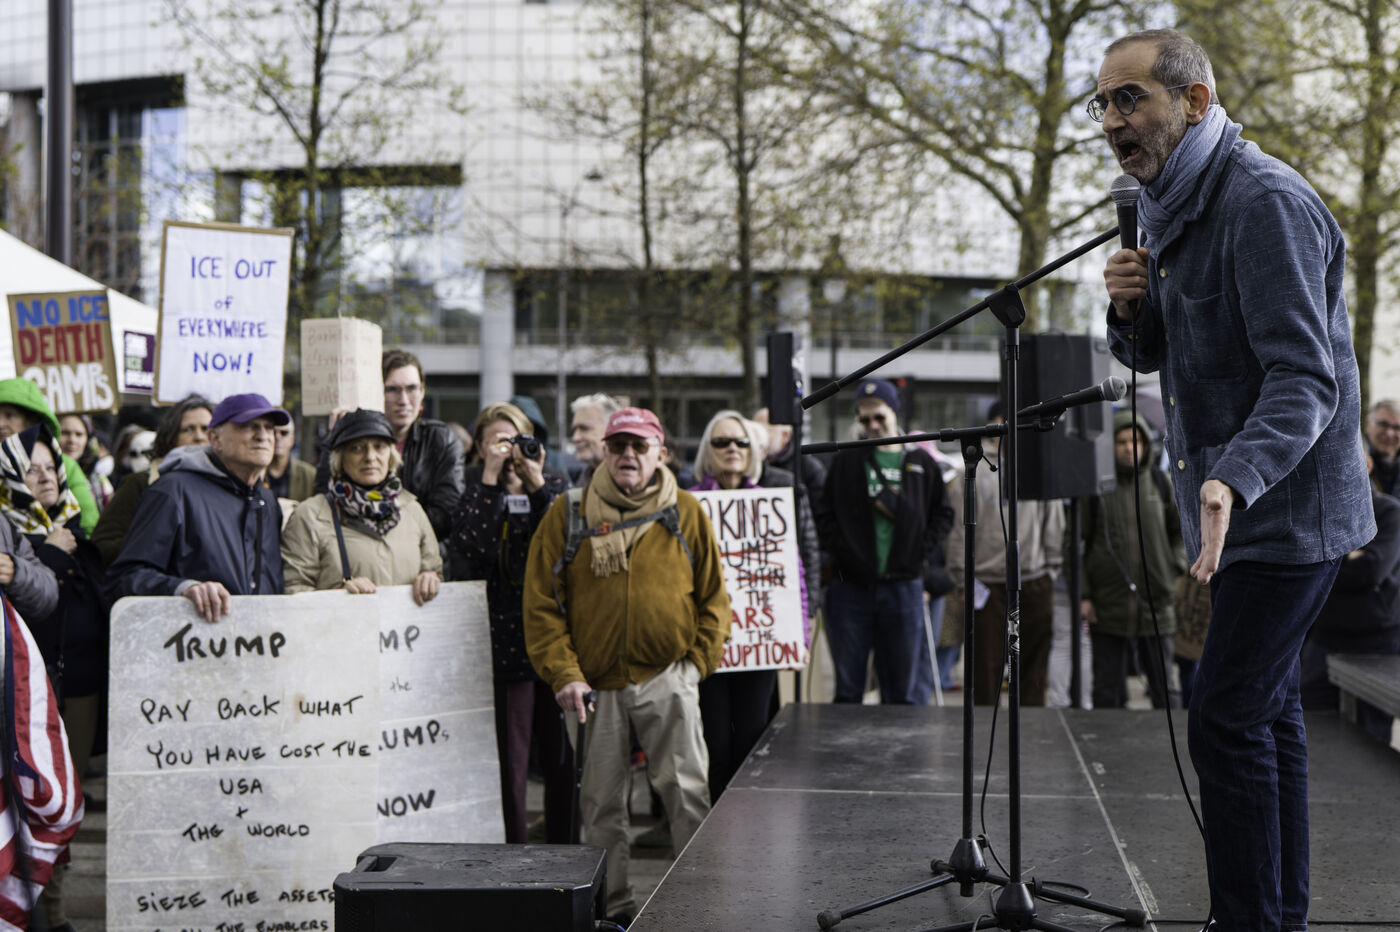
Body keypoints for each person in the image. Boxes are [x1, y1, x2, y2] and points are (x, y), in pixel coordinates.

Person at [1096, 29, 1375, 930]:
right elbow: (1160, 355)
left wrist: (1232, 478)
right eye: (1102, 103)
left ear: (1196, 101)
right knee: (1265, 712)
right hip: (1236, 515)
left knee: (1221, 713)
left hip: (1289, 513)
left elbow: (1306, 378)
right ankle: (1275, 917)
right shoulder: (1170, 204)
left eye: (1130, 97)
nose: (1113, 120)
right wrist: (1128, 311)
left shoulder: (1263, 202)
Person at [523, 406, 730, 926]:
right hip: (592, 688)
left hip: (668, 678)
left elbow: (714, 599)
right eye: (618, 446)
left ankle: (699, 909)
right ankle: (611, 912)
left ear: (661, 453)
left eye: (640, 446)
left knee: (687, 796)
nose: (628, 455)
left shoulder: (685, 511)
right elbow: (541, 605)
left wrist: (695, 666)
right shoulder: (569, 513)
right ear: (604, 452)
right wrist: (565, 674)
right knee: (600, 808)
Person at [0, 425, 108, 932]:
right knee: (23, 800)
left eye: (51, 467)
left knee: (64, 796)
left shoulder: (75, 526)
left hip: (76, 688)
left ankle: (52, 904)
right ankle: (27, 905)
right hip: (21, 696)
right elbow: (36, 603)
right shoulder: (10, 528)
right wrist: (46, 554)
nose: (44, 478)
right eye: (31, 469)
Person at [450, 402, 570, 845]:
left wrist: (534, 483)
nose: (506, 449)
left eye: (514, 439)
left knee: (562, 764)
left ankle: (567, 854)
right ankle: (512, 857)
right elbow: (471, 548)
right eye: (496, 441)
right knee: (510, 768)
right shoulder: (473, 489)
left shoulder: (552, 484)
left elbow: (567, 543)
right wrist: (489, 480)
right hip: (500, 647)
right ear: (480, 447)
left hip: (553, 643)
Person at [689, 410, 819, 800]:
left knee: (751, 739)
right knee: (715, 742)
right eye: (722, 441)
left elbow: (795, 569)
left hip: (757, 644)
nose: (732, 448)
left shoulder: (771, 501)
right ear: (707, 451)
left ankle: (747, 820)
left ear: (753, 451)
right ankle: (715, 823)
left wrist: (798, 632)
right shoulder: (688, 504)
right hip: (706, 643)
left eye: (741, 441)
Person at [817, 379, 954, 705]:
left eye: (879, 416)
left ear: (895, 412)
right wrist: (843, 551)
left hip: (903, 587)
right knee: (848, 689)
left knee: (901, 691)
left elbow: (943, 514)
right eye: (864, 419)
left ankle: (898, 743)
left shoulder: (921, 461)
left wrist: (917, 551)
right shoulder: (847, 460)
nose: (873, 425)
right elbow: (824, 513)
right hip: (851, 588)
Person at [107, 393, 289, 623]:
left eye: (269, 428)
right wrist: (183, 588)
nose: (262, 436)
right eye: (248, 426)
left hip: (257, 639)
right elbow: (125, 578)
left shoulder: (268, 501)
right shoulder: (172, 491)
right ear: (214, 438)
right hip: (190, 639)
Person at [946, 401, 1063, 707]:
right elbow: (958, 530)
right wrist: (962, 579)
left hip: (1033, 579)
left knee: (1033, 666)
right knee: (985, 668)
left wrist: (1050, 570)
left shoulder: (1037, 467)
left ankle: (1031, 725)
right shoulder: (971, 471)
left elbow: (1053, 522)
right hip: (986, 583)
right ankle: (985, 726)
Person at [1080, 412, 1185, 709]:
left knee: (1166, 691)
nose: (1129, 448)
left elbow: (1182, 533)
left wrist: (1174, 569)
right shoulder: (1096, 487)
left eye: (1135, 441)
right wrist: (1084, 595)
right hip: (1107, 606)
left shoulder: (1161, 483)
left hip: (1157, 605)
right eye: (1122, 441)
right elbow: (1075, 544)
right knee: (1107, 692)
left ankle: (1169, 740)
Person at [282, 409, 441, 603]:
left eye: (379, 446)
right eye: (357, 448)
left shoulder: (411, 509)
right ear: (340, 457)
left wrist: (430, 577)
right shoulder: (310, 515)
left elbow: (436, 571)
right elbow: (293, 590)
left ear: (391, 455)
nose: (370, 457)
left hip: (405, 624)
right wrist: (340, 595)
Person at [1299, 452, 1400, 742]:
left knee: (1370, 743)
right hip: (1323, 641)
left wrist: (1329, 557)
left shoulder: (1389, 512)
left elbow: (1371, 570)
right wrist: (1350, 556)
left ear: (1365, 463)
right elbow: (1304, 565)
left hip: (1376, 645)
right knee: (1312, 736)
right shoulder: (1317, 512)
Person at [319, 350, 465, 548]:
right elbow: (324, 499)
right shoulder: (348, 436)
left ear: (422, 391)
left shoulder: (442, 440)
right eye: (392, 390)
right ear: (374, 391)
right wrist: (339, 435)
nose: (403, 400)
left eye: (412, 388)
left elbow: (446, 516)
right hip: (355, 550)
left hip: (421, 553)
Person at [91, 395, 214, 566]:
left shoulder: (228, 488)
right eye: (188, 429)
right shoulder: (140, 484)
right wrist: (153, 541)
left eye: (206, 429)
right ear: (171, 437)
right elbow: (101, 546)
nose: (199, 437)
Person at [0, 378, 99, 536]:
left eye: (9, 416)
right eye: (32, 470)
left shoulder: (64, 464)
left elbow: (88, 525)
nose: (0, 424)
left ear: (31, 421)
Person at [57, 414, 113, 511]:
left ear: (88, 439)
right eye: (65, 433)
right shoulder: (44, 476)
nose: (72, 440)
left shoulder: (99, 480)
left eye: (79, 434)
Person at [567, 393, 622, 486]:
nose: (575, 438)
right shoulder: (582, 482)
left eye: (584, 428)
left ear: (610, 429)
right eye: (574, 430)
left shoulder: (629, 483)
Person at [264, 417, 316, 504]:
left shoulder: (309, 475)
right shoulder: (254, 473)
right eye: (273, 432)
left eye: (284, 433)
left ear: (292, 439)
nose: (277, 437)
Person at [1364, 399, 1400, 497]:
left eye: (1397, 428)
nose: (1389, 434)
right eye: (1383, 424)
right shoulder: (1354, 461)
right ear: (1367, 424)